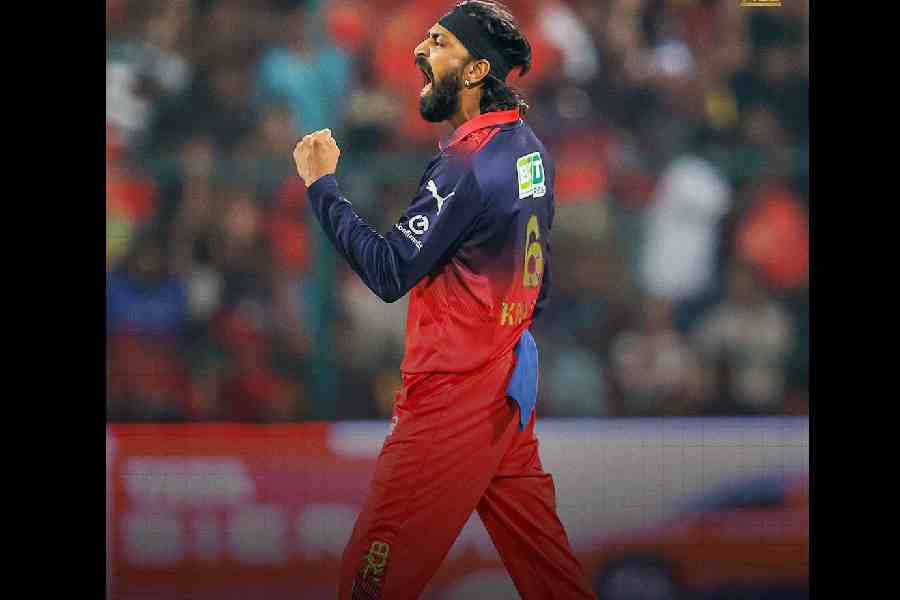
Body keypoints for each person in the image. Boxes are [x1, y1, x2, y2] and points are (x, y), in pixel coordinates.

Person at [293, 2, 597, 598]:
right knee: (552, 581)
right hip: (505, 388)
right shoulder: (528, 148)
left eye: (438, 43)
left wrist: (322, 185)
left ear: (477, 70)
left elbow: (388, 272)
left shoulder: (467, 164)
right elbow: (538, 282)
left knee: (369, 583)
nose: (418, 50)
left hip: (452, 399)